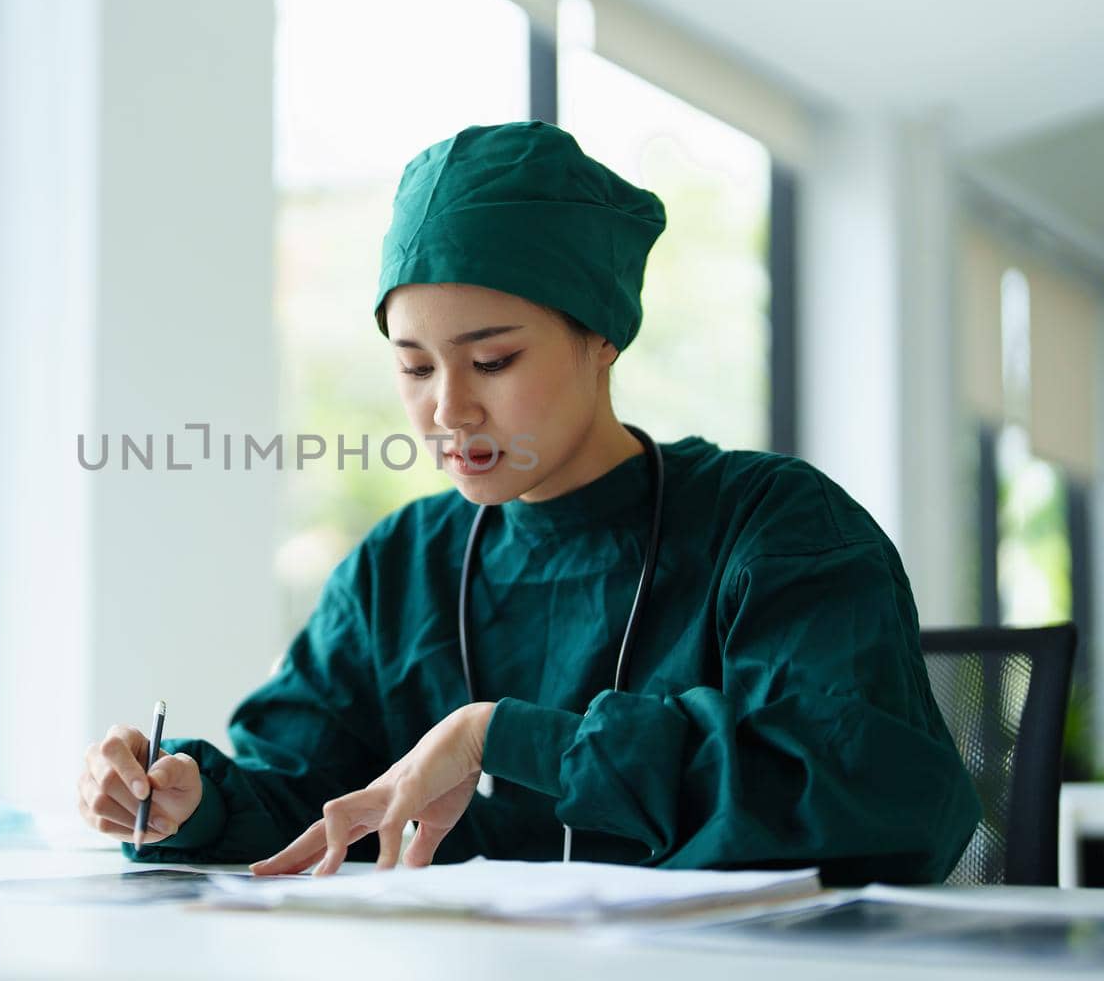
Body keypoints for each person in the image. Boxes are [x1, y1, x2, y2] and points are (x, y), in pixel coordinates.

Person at [75, 120, 980, 884]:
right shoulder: (400, 569)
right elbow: (304, 801)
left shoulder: (777, 528)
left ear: (602, 338)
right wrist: (191, 801)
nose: (449, 409)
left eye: (494, 360)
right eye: (414, 366)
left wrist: (503, 737)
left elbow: (865, 793)